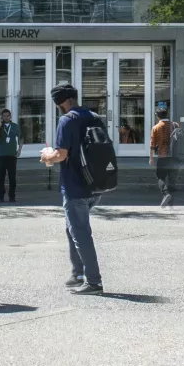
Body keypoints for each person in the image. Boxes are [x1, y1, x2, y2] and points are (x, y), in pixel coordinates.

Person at [40, 83, 105, 295]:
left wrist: (46, 156)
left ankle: (93, 281)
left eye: (57, 102)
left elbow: (61, 154)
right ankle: (78, 273)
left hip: (75, 184)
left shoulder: (67, 120)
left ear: (63, 101)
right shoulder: (94, 117)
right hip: (96, 183)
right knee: (73, 228)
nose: (58, 106)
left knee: (80, 232)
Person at [0, 107, 20, 203]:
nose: (6, 117)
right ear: (1, 117)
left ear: (10, 116)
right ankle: (0, 197)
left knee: (12, 178)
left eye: (8, 116)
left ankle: (12, 196)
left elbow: (21, 138)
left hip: (11, 156)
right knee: (1, 178)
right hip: (1, 156)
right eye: (4, 116)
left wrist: (19, 150)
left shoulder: (15, 126)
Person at [150, 106, 179, 209]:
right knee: (171, 177)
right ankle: (171, 201)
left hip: (162, 156)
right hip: (174, 156)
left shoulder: (155, 128)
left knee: (160, 176)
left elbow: (152, 144)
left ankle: (166, 194)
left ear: (158, 116)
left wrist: (151, 158)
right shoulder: (175, 124)